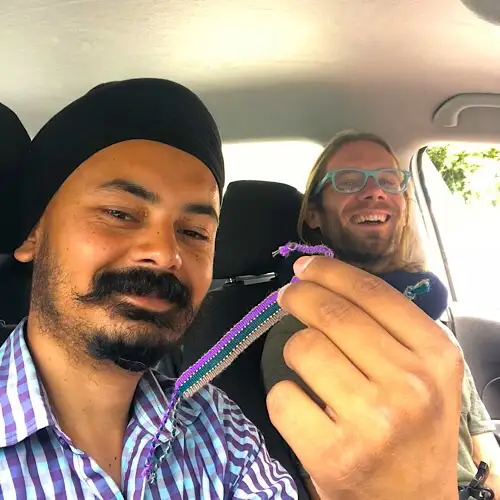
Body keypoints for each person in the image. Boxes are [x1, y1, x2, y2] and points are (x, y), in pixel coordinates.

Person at [0, 78, 296, 499]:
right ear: (33, 235)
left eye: (194, 232)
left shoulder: (221, 429)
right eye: (119, 213)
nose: (164, 253)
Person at [261, 130, 500, 497]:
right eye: (349, 180)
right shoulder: (298, 334)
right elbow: (328, 486)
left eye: (389, 180)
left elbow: (486, 454)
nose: (375, 191)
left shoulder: (428, 320)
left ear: (403, 203)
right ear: (313, 213)